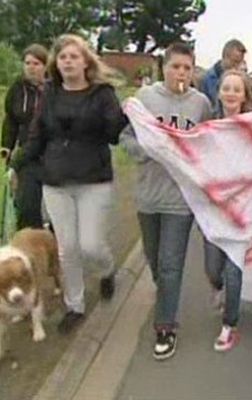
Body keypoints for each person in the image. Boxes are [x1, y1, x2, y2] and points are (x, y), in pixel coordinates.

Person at [9, 34, 127, 333]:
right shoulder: (50, 93)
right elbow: (37, 137)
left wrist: (121, 116)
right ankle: (75, 305)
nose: (68, 61)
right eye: (63, 57)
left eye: (74, 56)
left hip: (93, 180)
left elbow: (114, 134)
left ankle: (106, 268)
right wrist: (15, 164)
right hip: (56, 180)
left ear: (86, 61)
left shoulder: (102, 93)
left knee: (90, 245)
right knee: (67, 249)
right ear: (56, 64)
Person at [120, 43, 212, 360]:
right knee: (155, 260)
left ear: (193, 70)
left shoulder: (201, 104)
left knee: (171, 265)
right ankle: (166, 296)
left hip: (180, 199)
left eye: (187, 68)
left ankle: (165, 326)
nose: (181, 73)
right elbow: (126, 137)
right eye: (175, 67)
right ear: (164, 68)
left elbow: (209, 143)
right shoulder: (146, 98)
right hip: (148, 195)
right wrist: (146, 151)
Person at [205, 70, 252, 352]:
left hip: (243, 208)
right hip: (213, 209)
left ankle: (230, 325)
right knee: (213, 269)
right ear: (220, 92)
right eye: (227, 88)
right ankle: (219, 289)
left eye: (237, 89)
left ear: (245, 95)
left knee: (234, 270)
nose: (232, 93)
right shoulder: (208, 125)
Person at [2, 44, 48, 230]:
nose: (31, 67)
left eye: (36, 63)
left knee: (53, 209)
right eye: (27, 63)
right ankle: (30, 244)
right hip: (26, 154)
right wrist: (6, 147)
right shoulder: (17, 88)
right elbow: (11, 120)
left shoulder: (54, 88)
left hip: (52, 154)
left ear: (45, 65)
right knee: (26, 205)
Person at [201, 39, 246, 108]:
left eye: (239, 62)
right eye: (235, 61)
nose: (237, 66)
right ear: (225, 56)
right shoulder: (206, 79)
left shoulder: (241, 79)